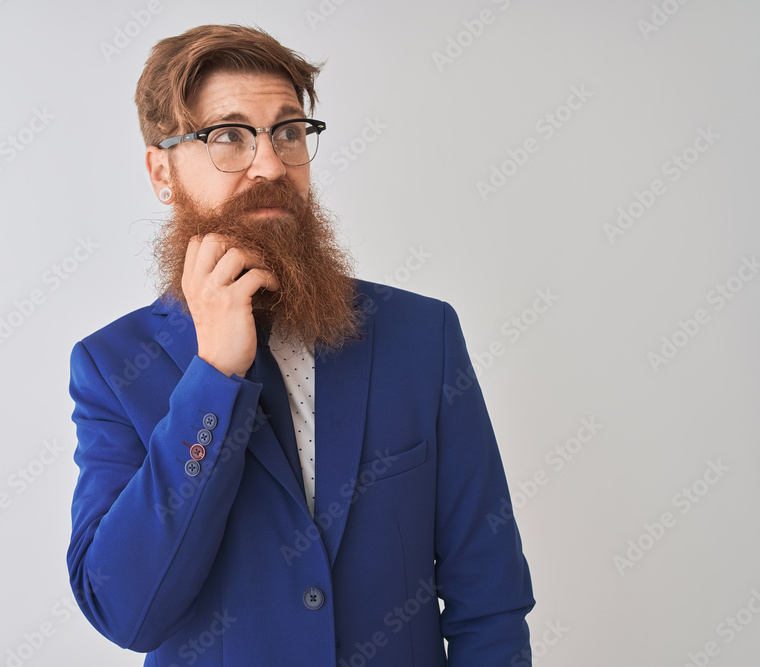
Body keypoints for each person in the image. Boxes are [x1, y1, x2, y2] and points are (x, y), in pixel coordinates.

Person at [67, 24, 535, 666]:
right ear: (162, 172)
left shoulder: (423, 338)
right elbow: (126, 611)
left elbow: (491, 601)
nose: (270, 163)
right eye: (227, 136)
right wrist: (212, 378)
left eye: (288, 132)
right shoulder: (113, 368)